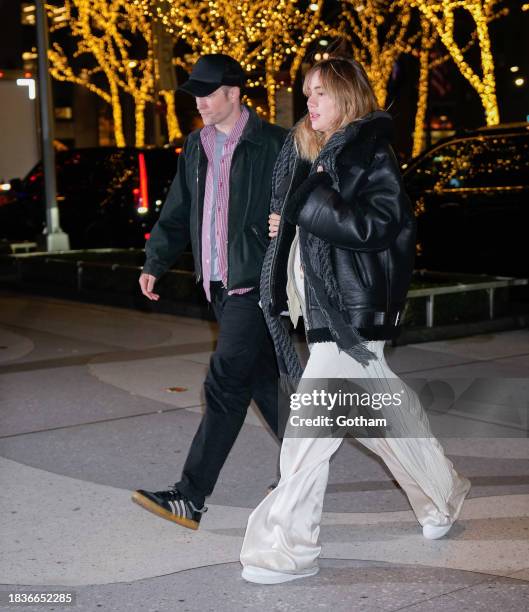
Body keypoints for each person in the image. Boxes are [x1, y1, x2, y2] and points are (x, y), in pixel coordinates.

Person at [239, 57, 471, 584]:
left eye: (320, 93)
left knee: (307, 437)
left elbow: (377, 227)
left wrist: (305, 207)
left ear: (347, 96)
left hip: (350, 317)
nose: (310, 104)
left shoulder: (370, 152)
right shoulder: (315, 154)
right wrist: (289, 223)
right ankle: (441, 497)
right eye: (307, 94)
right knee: (386, 423)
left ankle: (287, 551)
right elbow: (318, 225)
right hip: (328, 312)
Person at [131, 54, 287, 530]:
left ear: (234, 93)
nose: (198, 101)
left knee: (223, 384)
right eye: (194, 93)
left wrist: (288, 226)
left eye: (207, 92)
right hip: (219, 285)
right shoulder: (195, 146)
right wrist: (155, 261)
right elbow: (179, 212)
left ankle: (190, 496)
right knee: (261, 382)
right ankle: (308, 466)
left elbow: (306, 200)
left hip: (256, 283)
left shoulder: (274, 143)